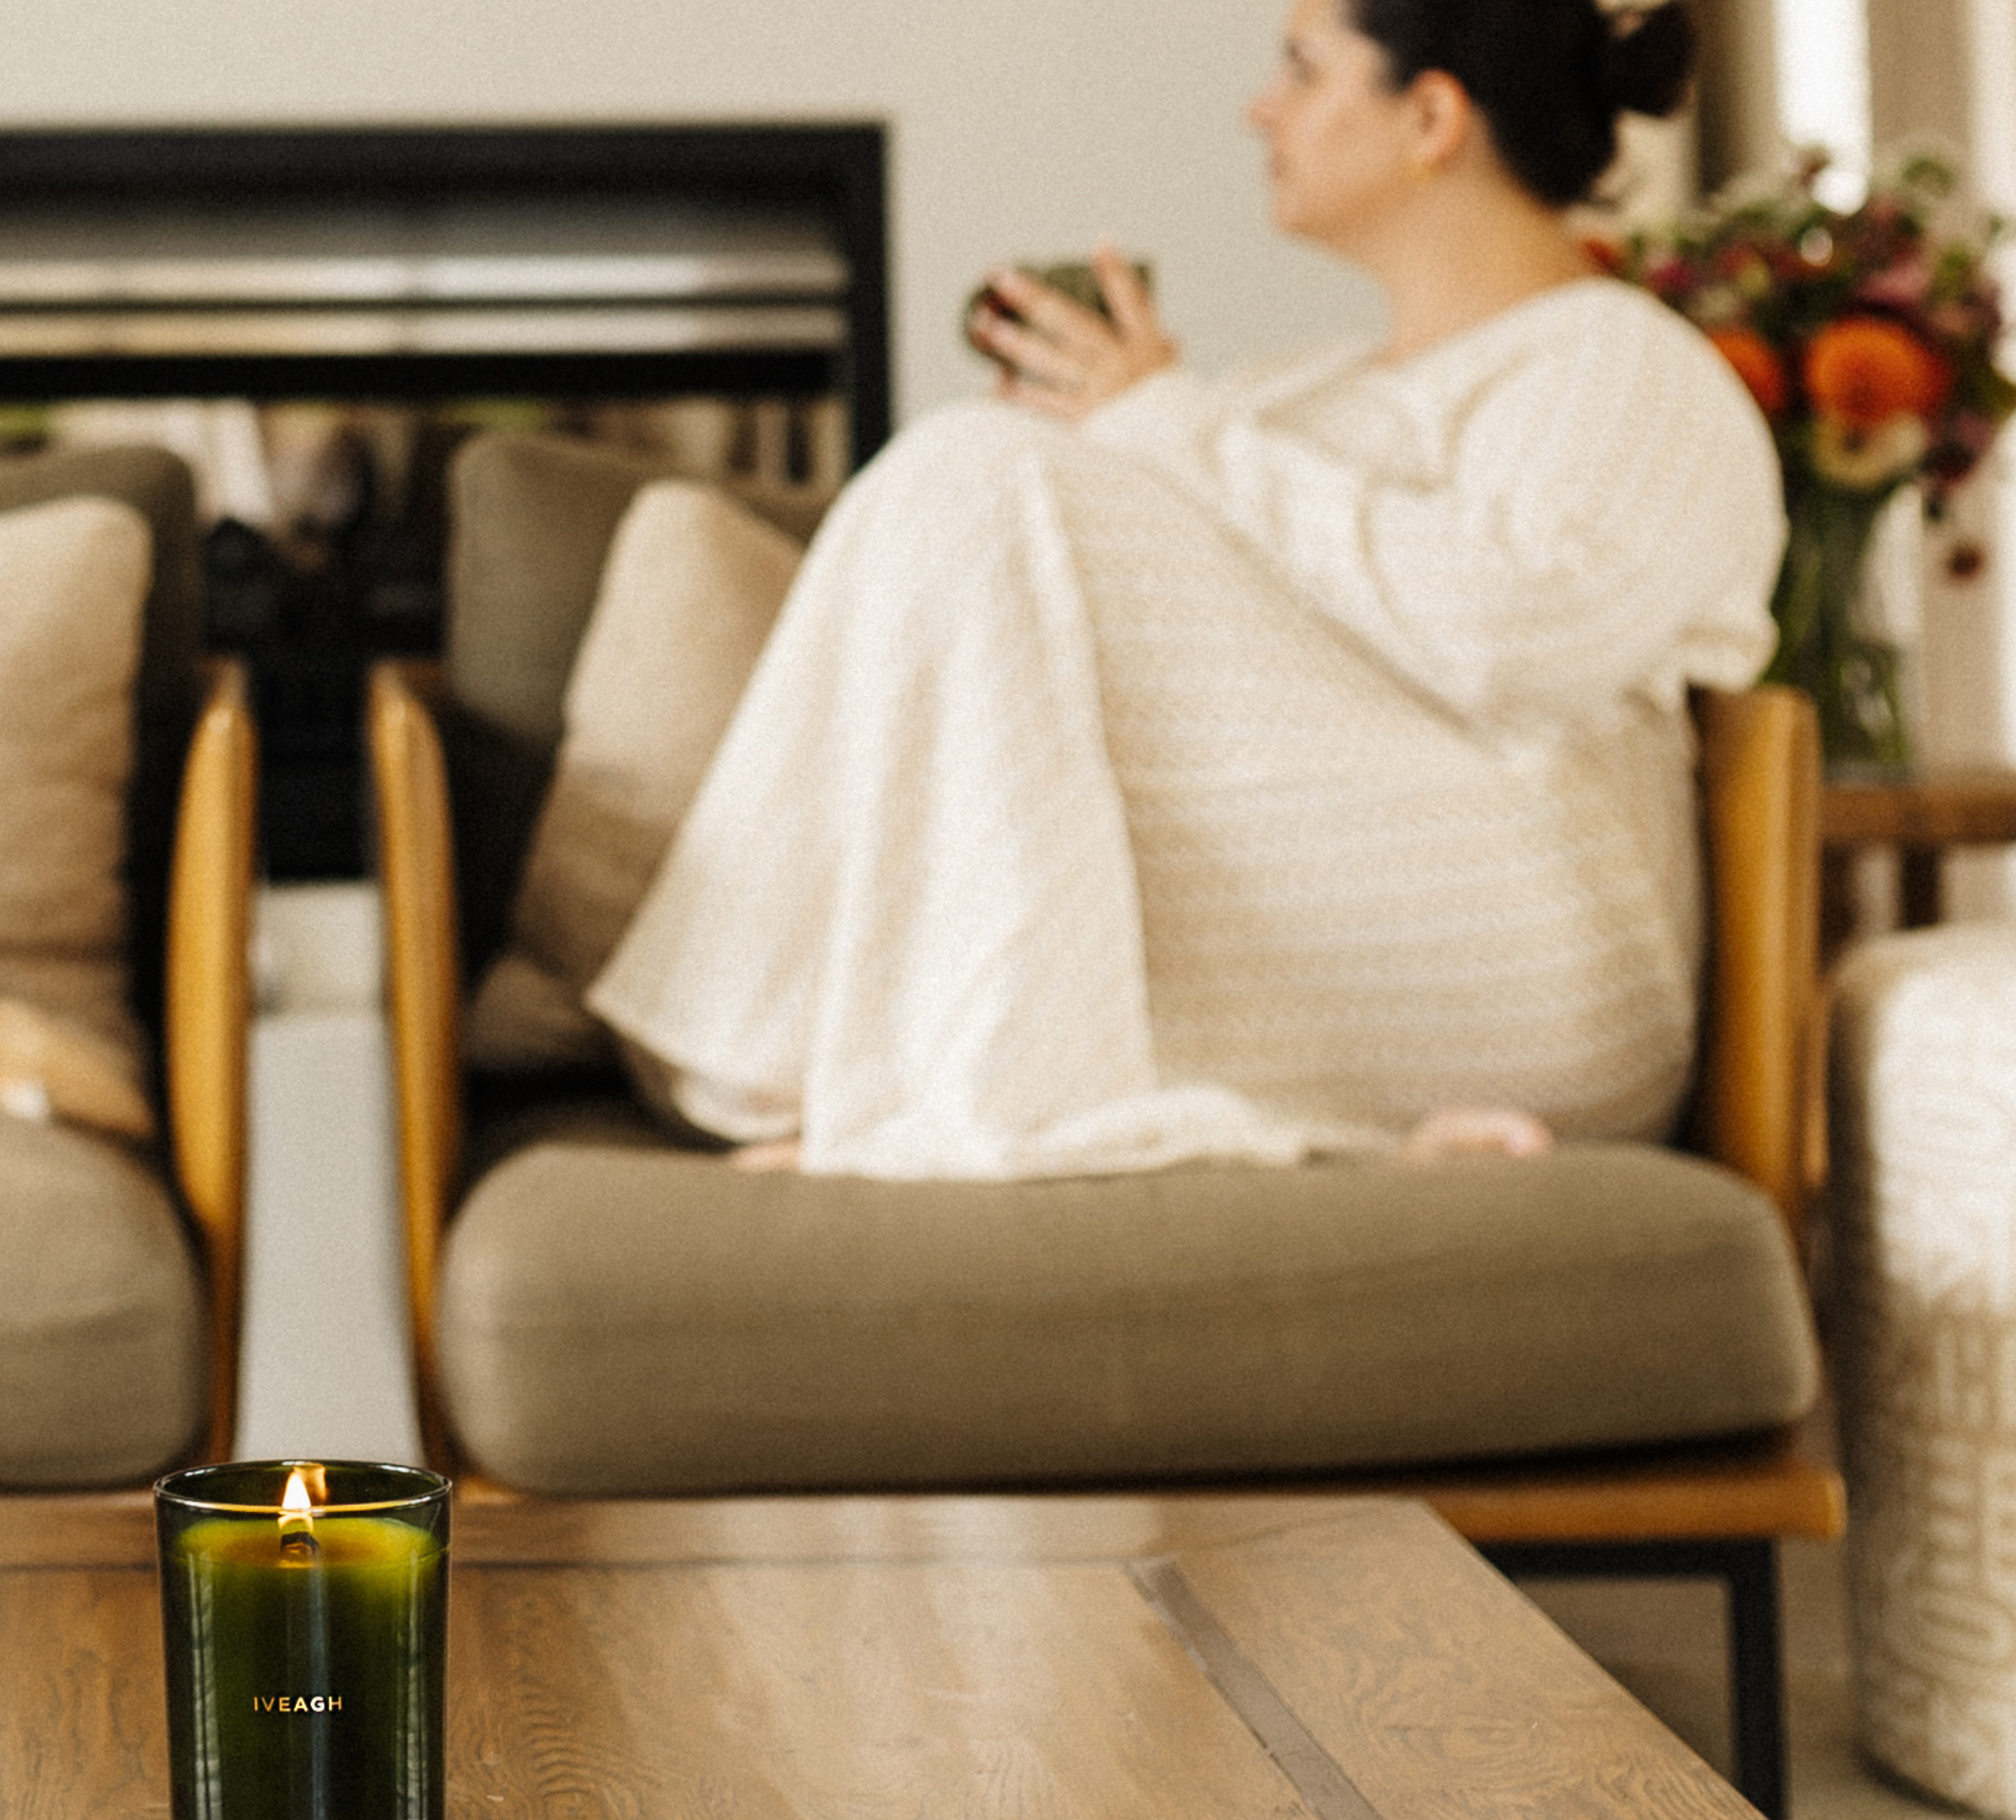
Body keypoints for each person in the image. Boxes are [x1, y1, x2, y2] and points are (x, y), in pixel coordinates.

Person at [584, 0, 1774, 1181]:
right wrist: (1091, 454)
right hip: (1330, 914)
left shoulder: (1622, 366)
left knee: (979, 475)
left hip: (1548, 953)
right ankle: (898, 1071)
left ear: (1428, 118)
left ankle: (894, 1078)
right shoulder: (1290, 392)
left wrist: (1150, 429)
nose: (1259, 109)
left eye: (1301, 69)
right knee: (972, 474)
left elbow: (1515, 636)